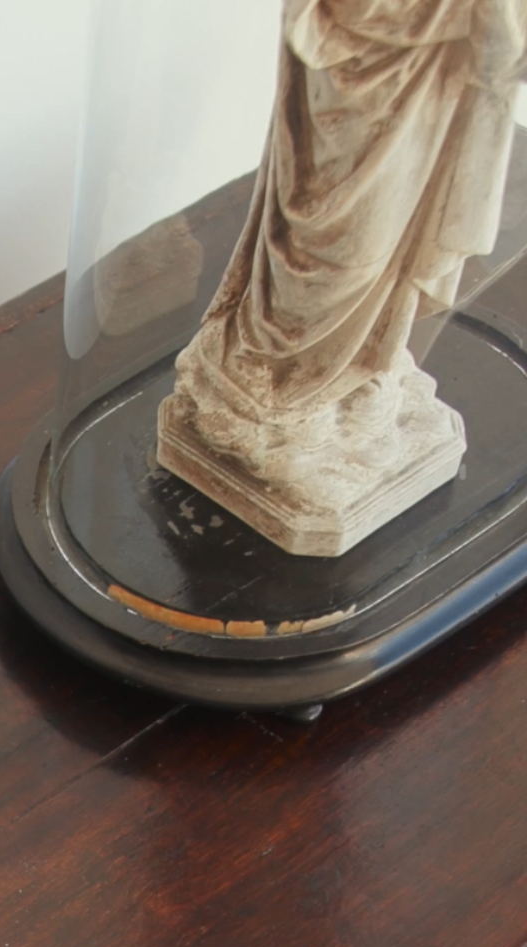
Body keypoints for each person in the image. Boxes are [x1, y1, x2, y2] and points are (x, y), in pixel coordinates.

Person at [158, 0, 527, 554]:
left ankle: (360, 367)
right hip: (361, 65)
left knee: (396, 240)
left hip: (431, 78)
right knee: (338, 253)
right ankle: (273, 382)